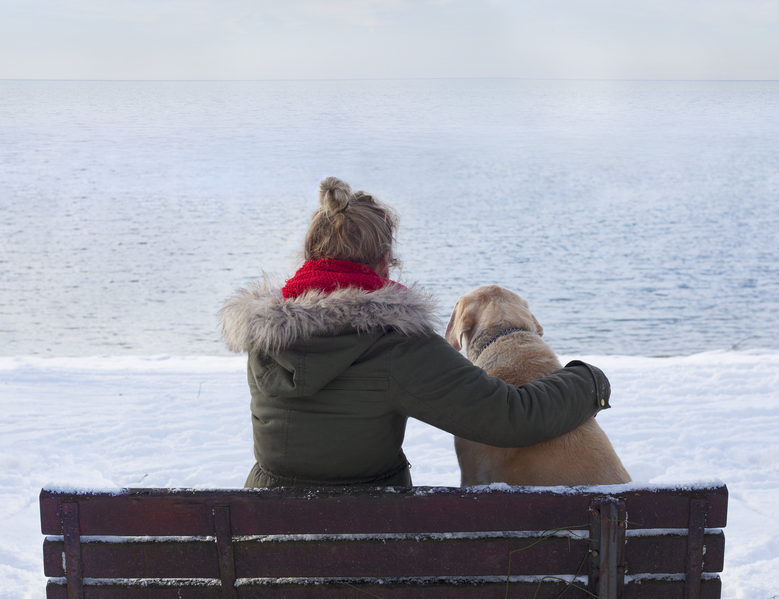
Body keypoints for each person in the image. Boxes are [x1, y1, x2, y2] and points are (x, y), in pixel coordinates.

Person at [219, 177, 612, 488]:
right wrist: (588, 380)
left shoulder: (265, 336)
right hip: (371, 540)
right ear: (386, 261)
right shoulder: (397, 344)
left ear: (310, 256)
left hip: (265, 531)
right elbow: (512, 419)